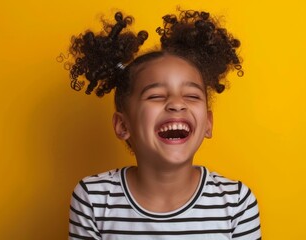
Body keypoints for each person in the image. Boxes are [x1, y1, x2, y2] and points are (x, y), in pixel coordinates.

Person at [65, 9, 261, 239]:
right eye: (156, 96)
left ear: (208, 123)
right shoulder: (93, 199)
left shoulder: (237, 202)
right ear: (122, 125)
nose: (177, 104)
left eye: (192, 95)